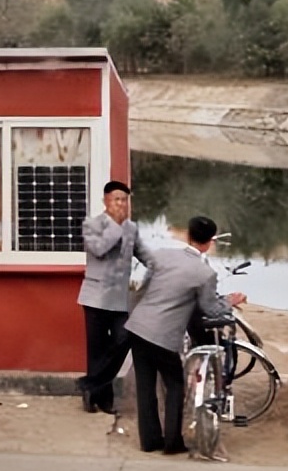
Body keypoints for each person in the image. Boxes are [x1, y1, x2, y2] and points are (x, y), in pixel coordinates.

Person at [124, 215, 246, 454]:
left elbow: (146, 287)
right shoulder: (204, 273)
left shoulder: (162, 255)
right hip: (163, 335)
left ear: (188, 235)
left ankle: (149, 442)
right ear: (210, 242)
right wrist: (230, 301)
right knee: (175, 385)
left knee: (146, 386)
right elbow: (210, 308)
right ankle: (172, 443)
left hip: (137, 327)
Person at [76, 180, 149, 415]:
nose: (121, 204)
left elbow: (145, 255)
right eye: (117, 199)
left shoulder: (132, 228)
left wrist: (168, 268)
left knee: (123, 338)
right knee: (96, 350)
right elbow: (98, 249)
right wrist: (116, 226)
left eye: (125, 200)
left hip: (120, 299)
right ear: (106, 201)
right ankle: (99, 399)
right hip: (95, 297)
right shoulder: (92, 224)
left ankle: (91, 384)